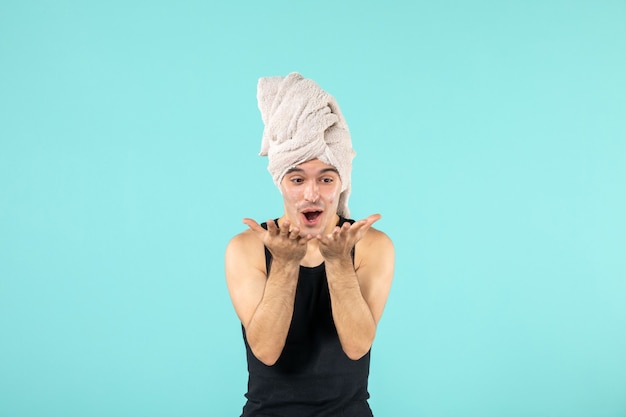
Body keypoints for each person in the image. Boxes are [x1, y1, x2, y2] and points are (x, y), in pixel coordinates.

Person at [225, 72, 394, 417]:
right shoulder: (246, 248)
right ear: (280, 183)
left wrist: (338, 261)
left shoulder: (371, 245)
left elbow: (358, 345)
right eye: (297, 179)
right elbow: (267, 351)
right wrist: (285, 264)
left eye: (326, 179)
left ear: (341, 183)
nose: (311, 194)